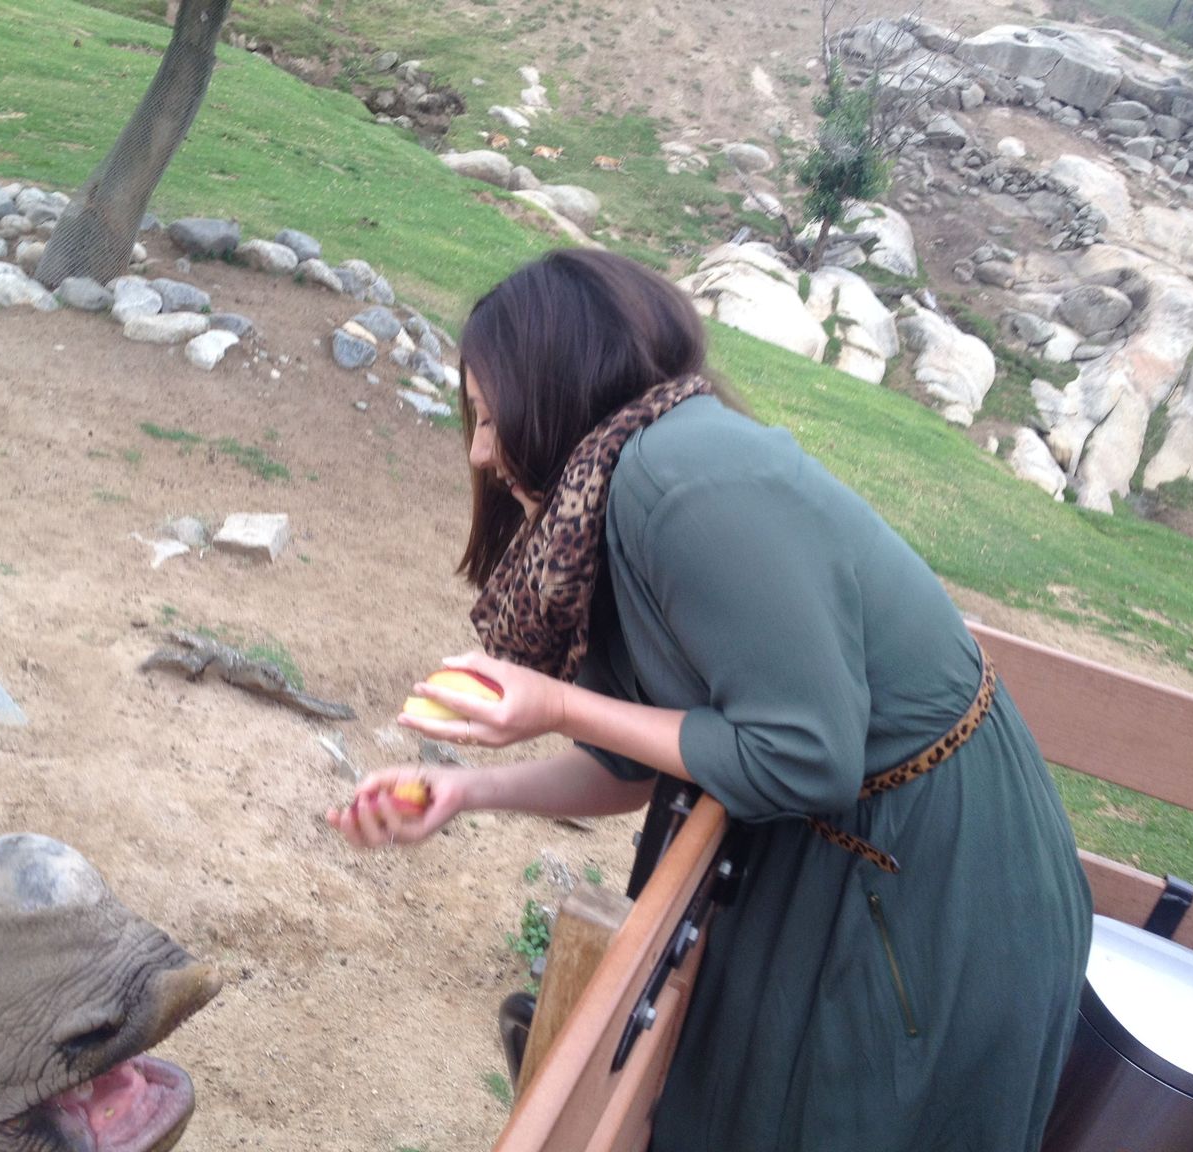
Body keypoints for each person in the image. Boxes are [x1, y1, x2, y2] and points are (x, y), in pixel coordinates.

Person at [324, 248, 1092, 1151]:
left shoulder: (683, 478)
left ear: (559, 389)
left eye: (492, 417)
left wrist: (559, 707)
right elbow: (635, 764)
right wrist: (471, 792)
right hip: (841, 849)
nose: (481, 451)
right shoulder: (610, 493)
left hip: (934, 876)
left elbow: (804, 754)